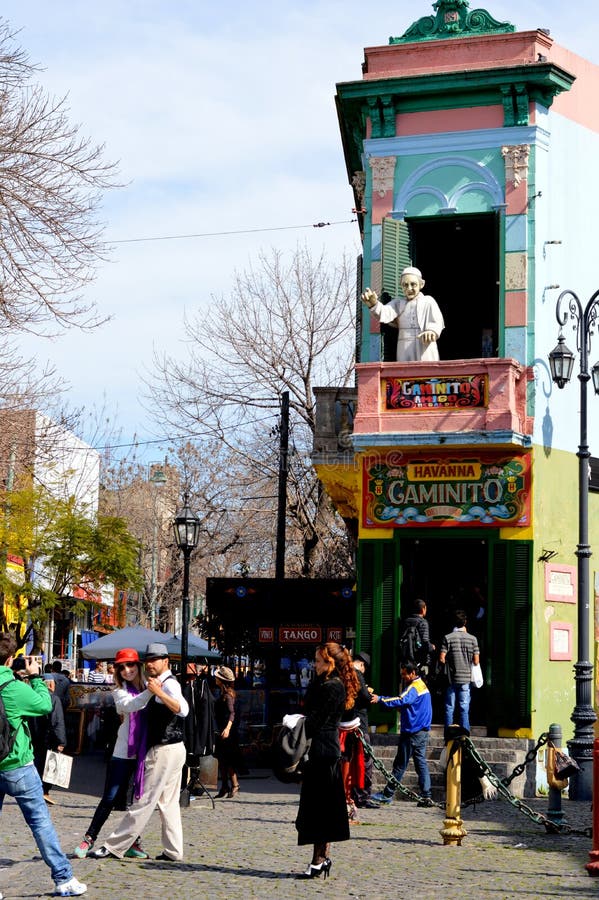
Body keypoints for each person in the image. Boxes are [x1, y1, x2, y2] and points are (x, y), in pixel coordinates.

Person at [0, 633, 87, 896]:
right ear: (10, 659)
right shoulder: (13, 688)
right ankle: (63, 878)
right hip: (18, 765)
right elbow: (44, 705)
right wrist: (36, 677)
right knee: (40, 823)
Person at [89, 642, 189, 861]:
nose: (150, 664)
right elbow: (129, 706)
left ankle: (114, 846)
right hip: (173, 747)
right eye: (148, 660)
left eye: (155, 660)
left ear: (166, 661)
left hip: (164, 749)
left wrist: (158, 692)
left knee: (144, 801)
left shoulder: (167, 683)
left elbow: (182, 710)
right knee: (168, 802)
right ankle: (173, 851)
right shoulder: (149, 684)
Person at [74, 648, 151, 858]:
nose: (127, 670)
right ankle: (89, 838)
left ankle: (132, 842)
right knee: (110, 797)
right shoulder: (120, 691)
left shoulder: (149, 686)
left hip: (145, 752)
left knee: (138, 802)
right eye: (122, 667)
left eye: (130, 665)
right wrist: (152, 692)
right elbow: (130, 705)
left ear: (139, 666)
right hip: (123, 752)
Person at [295, 642, 360, 880]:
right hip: (322, 750)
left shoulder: (333, 687)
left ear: (329, 663)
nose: (314, 665)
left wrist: (296, 723)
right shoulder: (324, 683)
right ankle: (319, 859)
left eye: (318, 661)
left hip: (323, 750)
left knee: (321, 809)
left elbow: (315, 720)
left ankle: (319, 859)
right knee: (319, 808)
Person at [371, 662, 434, 807]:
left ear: (413, 673)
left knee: (400, 764)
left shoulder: (413, 687)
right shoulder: (422, 686)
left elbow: (401, 699)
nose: (403, 677)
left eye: (405, 674)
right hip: (422, 731)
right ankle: (426, 795)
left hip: (412, 732)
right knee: (421, 763)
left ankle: (387, 794)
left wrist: (380, 699)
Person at [361, 266, 444, 361]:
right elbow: (384, 312)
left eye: (413, 284)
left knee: (427, 369)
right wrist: (374, 304)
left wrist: (432, 331)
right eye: (405, 285)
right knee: (404, 369)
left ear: (421, 284)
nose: (409, 288)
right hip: (404, 346)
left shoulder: (428, 301)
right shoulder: (398, 303)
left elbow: (436, 320)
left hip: (424, 346)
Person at [439, 609, 480, 734]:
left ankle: (448, 735)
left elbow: (442, 658)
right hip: (466, 679)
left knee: (449, 707)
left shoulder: (448, 638)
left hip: (451, 679)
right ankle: (465, 735)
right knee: (464, 708)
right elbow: (476, 661)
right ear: (465, 622)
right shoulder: (473, 639)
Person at [29, 676, 67, 804]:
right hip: (48, 738)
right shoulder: (53, 699)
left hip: (33, 737)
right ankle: (44, 791)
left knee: (36, 764)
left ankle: (36, 790)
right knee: (48, 766)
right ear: (50, 685)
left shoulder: (32, 697)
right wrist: (61, 741)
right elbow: (57, 721)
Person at [350, 651, 379, 810]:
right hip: (359, 723)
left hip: (349, 723)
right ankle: (362, 796)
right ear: (362, 665)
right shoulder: (357, 675)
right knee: (365, 761)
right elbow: (365, 696)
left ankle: (354, 794)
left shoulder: (346, 674)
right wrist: (369, 695)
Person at [213, 665, 244, 798]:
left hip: (227, 734)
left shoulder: (228, 696)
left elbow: (232, 713)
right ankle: (225, 786)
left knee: (228, 760)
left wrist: (227, 729)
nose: (215, 679)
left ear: (222, 680)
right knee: (222, 760)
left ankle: (235, 784)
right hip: (222, 731)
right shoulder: (223, 694)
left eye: (217, 677)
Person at [399, 599, 436, 675]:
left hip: (406, 659)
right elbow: (425, 642)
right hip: (420, 660)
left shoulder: (406, 621)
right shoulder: (423, 622)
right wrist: (432, 647)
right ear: (423, 609)